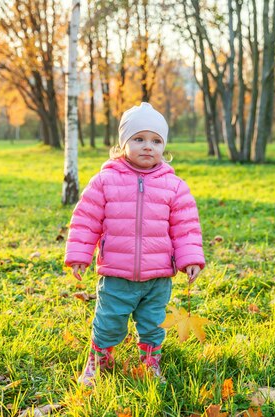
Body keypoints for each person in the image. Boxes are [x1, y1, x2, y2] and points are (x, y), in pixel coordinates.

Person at [64, 102, 205, 386]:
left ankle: (150, 361)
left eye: (156, 141)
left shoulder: (174, 186)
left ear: (163, 146)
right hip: (117, 274)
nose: (147, 146)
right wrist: (80, 254)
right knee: (108, 322)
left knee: (154, 323)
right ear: (123, 143)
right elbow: (86, 219)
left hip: (158, 277)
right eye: (139, 139)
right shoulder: (105, 181)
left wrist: (190, 259)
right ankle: (99, 359)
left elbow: (185, 227)